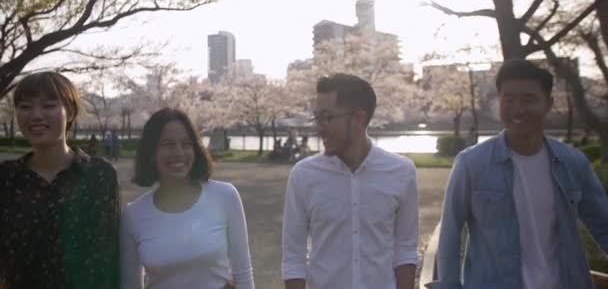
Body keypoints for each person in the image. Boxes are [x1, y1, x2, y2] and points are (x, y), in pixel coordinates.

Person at [431, 60, 608, 289]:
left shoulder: (572, 163)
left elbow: (603, 225)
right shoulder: (471, 164)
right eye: (509, 99)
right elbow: (450, 233)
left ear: (549, 103)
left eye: (528, 99)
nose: (518, 109)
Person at [282, 73, 419, 289]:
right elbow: (293, 257)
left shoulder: (401, 172)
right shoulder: (303, 175)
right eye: (317, 118)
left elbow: (406, 250)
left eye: (327, 117)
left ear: (358, 118)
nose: (319, 127)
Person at [0, 72, 120, 289]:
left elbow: (110, 253)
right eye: (25, 106)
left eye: (49, 105)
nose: (36, 115)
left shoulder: (99, 175)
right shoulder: (6, 178)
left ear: (71, 111)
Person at [121, 108, 254, 289]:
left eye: (186, 144)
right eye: (168, 144)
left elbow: (243, 274)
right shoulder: (133, 214)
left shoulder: (225, 196)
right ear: (151, 153)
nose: (179, 152)